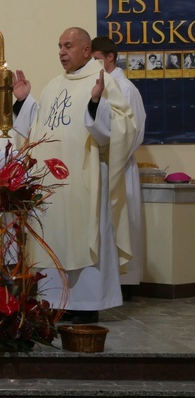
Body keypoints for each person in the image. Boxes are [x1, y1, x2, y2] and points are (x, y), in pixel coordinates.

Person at [12, 27, 135, 324]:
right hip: (51, 182)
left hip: (85, 176)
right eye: (59, 46)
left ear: (84, 49)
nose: (62, 52)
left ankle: (86, 303)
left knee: (84, 231)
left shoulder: (100, 80)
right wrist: (23, 102)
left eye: (68, 46)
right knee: (53, 235)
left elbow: (120, 129)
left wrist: (95, 103)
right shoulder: (54, 85)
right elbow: (38, 128)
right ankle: (55, 301)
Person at [92, 36, 147, 301]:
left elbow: (135, 132)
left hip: (120, 165)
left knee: (124, 222)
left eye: (96, 59)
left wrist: (114, 157)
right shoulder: (98, 85)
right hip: (101, 166)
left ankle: (125, 283)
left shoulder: (126, 89)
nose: (93, 65)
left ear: (110, 57)